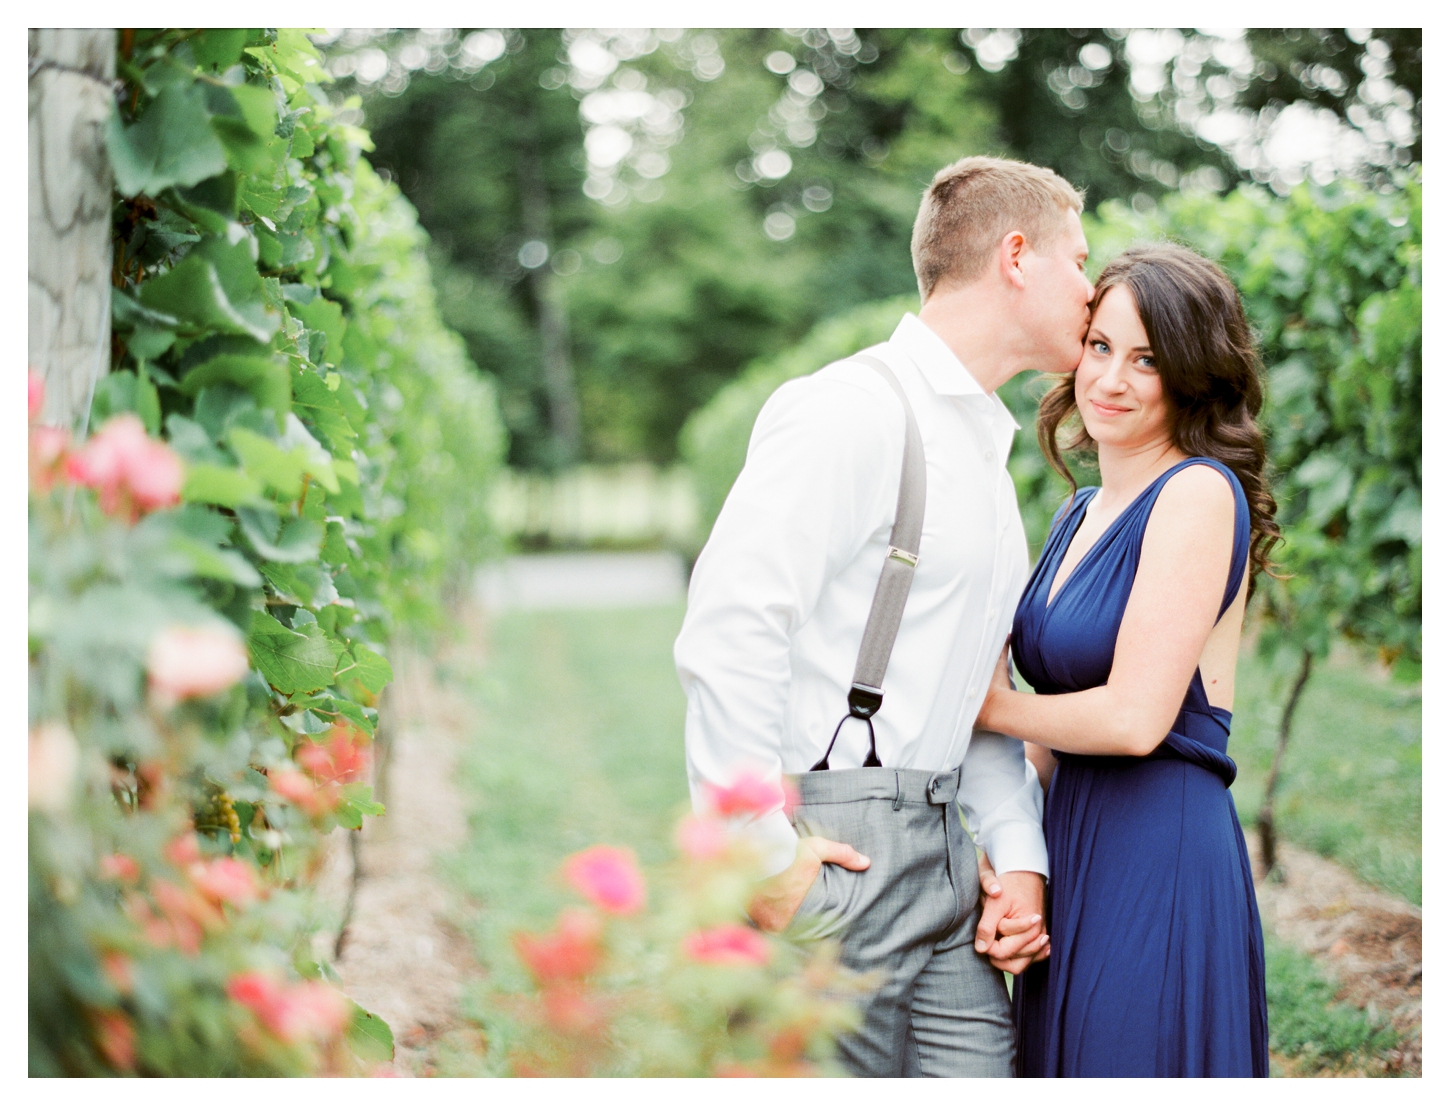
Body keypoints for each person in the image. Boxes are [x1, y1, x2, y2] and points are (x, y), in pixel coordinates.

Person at [673, 156, 1095, 1077]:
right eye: (1080, 259)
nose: (1093, 291)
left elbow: (971, 692)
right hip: (833, 853)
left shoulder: (984, 449)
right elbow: (731, 626)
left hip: (946, 860)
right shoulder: (848, 411)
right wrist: (762, 858)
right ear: (1017, 256)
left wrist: (1018, 851)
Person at [974, 243, 1277, 1077]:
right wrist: (1012, 856)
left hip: (1158, 850)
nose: (1110, 379)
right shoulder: (1077, 512)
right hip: (1069, 844)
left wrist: (979, 704)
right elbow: (1054, 715)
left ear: (1191, 376)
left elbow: (1135, 718)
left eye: (1148, 359)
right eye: (1100, 346)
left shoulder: (1196, 493)